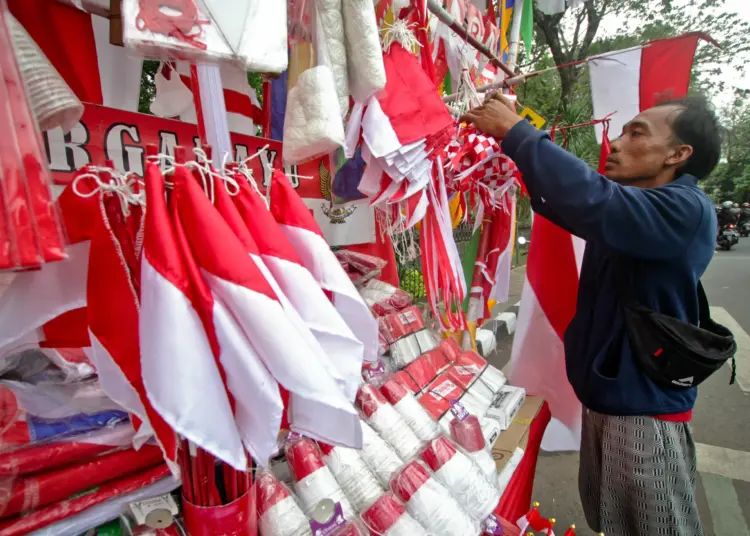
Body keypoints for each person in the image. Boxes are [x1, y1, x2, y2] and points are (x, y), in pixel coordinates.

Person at [462, 95, 721, 536]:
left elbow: (594, 199)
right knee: (609, 520)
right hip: (608, 401)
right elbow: (569, 202)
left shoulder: (684, 209)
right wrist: (511, 155)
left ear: (678, 155)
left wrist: (518, 132)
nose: (616, 144)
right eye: (621, 132)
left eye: (636, 133)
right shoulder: (633, 211)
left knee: (657, 528)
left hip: (644, 411)